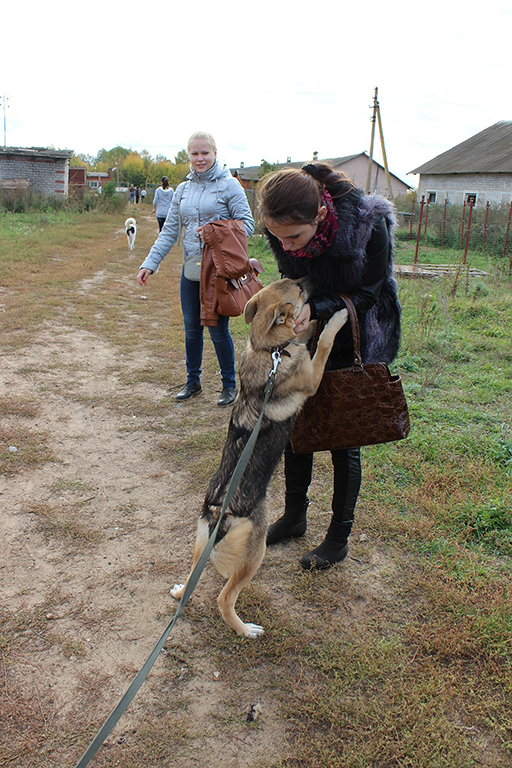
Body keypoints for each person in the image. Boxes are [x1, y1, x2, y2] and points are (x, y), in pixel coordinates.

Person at [257, 163, 401, 570]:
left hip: (358, 331)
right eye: (277, 236)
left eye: (293, 237)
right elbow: (293, 273)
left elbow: (370, 292)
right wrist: (297, 307)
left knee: (343, 432)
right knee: (295, 422)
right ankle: (295, 516)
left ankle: (338, 537)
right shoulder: (281, 229)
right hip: (307, 330)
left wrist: (317, 308)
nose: (285, 246)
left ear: (320, 214)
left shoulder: (368, 225)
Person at [137, 131, 255, 407]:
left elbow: (247, 225)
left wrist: (215, 232)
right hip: (191, 270)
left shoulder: (230, 185)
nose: (199, 158)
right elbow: (169, 232)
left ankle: (229, 385)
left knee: (216, 330)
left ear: (215, 153)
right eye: (194, 153)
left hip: (218, 272)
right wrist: (149, 264)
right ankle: (193, 382)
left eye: (205, 153)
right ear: (188, 155)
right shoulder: (183, 189)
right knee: (191, 328)